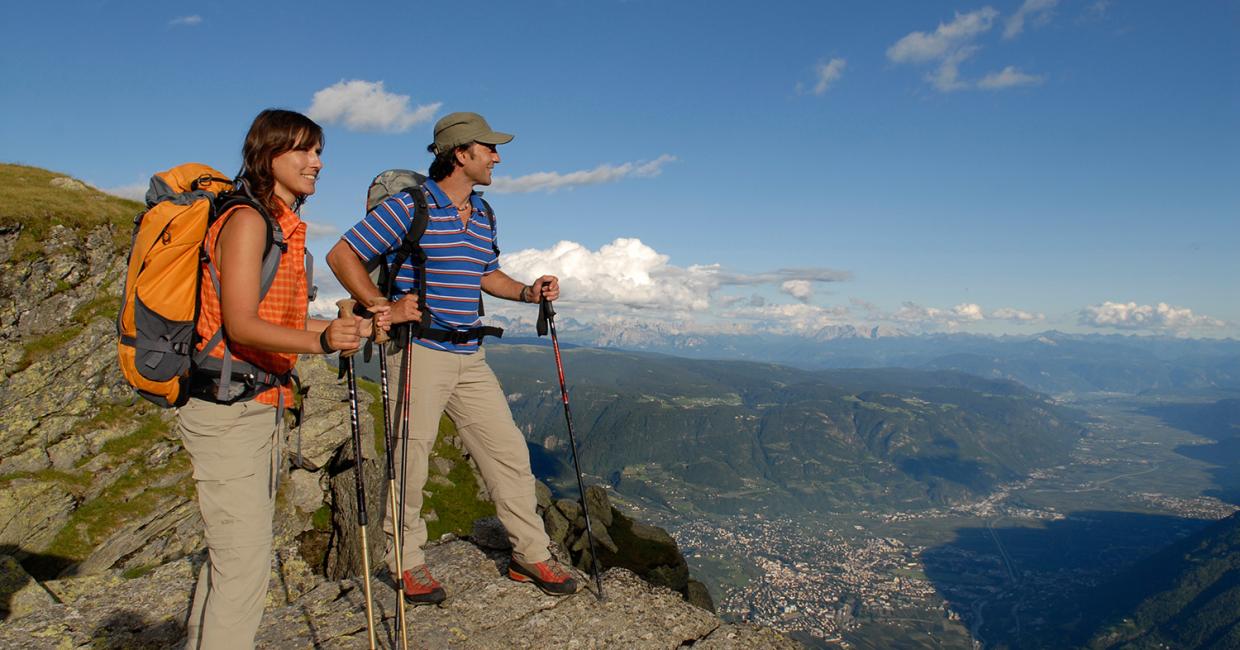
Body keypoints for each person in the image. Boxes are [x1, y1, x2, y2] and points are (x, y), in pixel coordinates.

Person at [326, 111, 578, 604]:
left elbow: (486, 273)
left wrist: (529, 292)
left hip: (470, 353)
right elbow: (342, 255)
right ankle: (405, 563)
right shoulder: (409, 207)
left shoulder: (482, 214)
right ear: (462, 153)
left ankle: (530, 554)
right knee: (409, 462)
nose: (497, 157)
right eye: (489, 149)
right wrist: (384, 308)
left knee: (507, 453)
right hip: (418, 353)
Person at [179, 109, 383, 649]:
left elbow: (279, 323)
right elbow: (241, 324)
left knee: (233, 559)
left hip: (256, 404)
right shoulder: (248, 221)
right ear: (267, 155)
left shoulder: (278, 226)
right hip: (227, 410)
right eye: (302, 150)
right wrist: (321, 341)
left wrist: (345, 328)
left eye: (318, 151)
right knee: (245, 569)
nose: (316, 162)